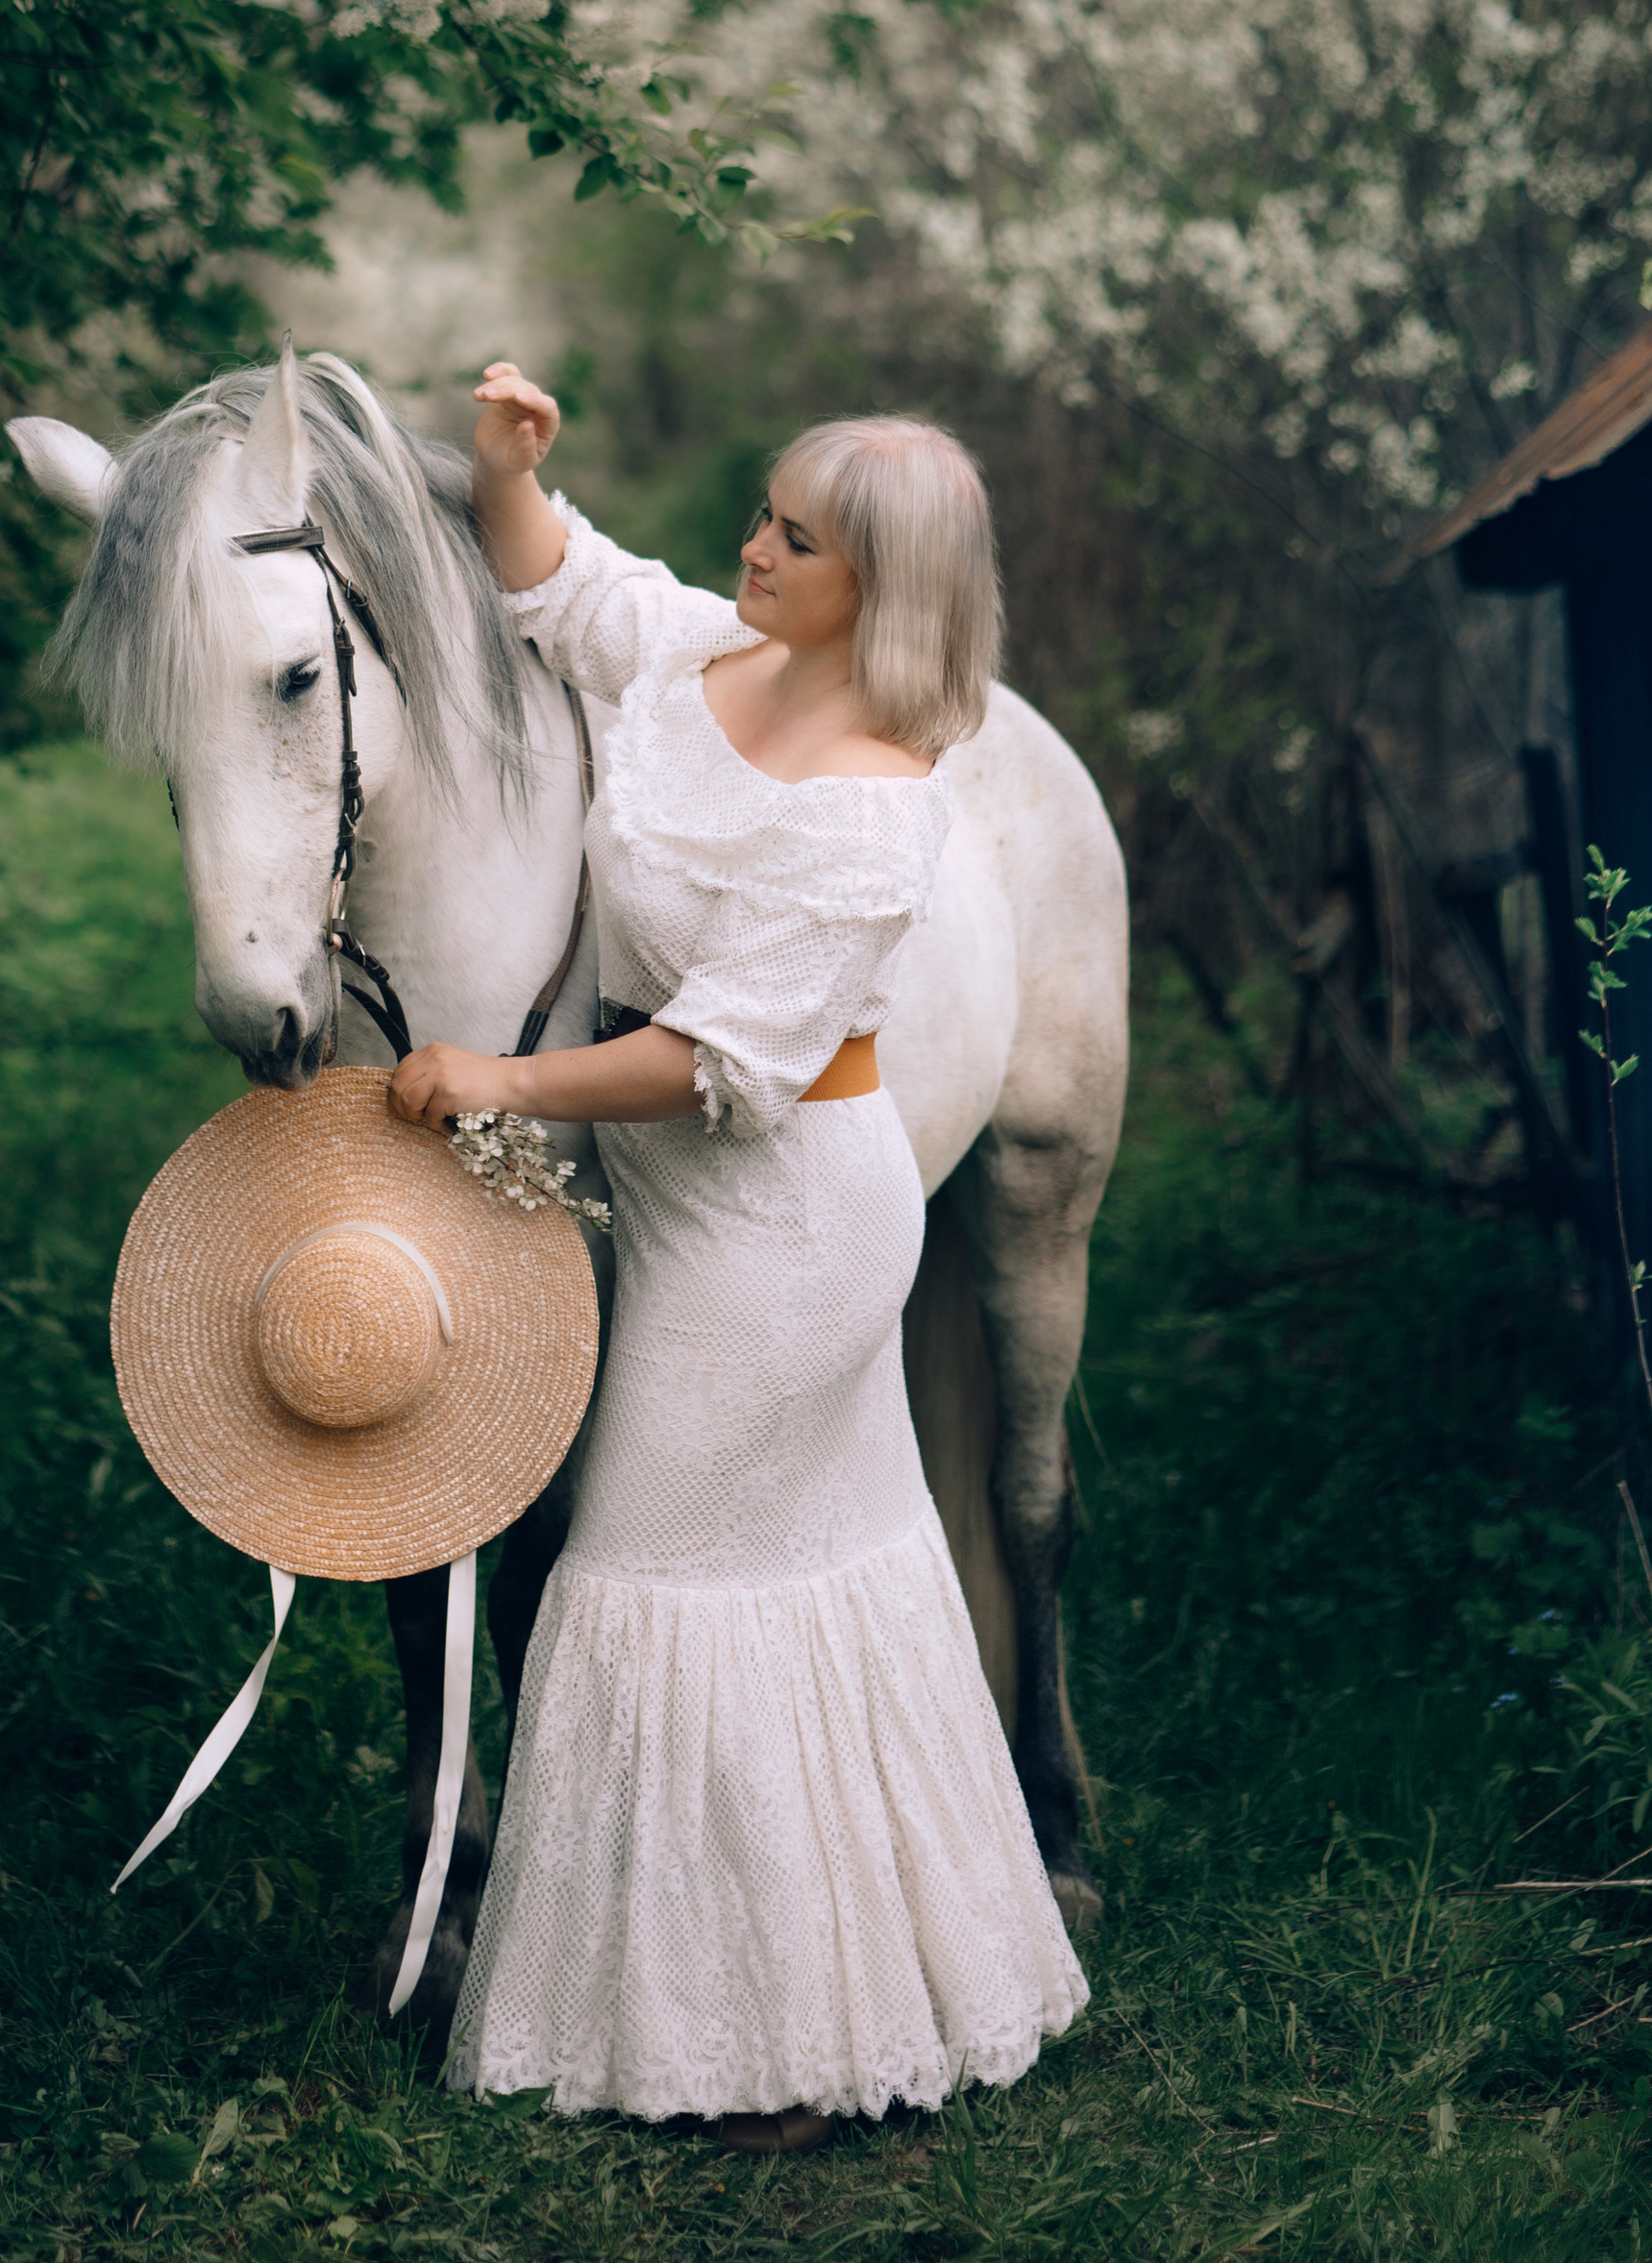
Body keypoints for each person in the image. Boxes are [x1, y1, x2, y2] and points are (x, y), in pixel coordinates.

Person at [385, 363, 1088, 2149]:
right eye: (764, 517)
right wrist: (507, 468)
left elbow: (716, 1065)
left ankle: (774, 2045)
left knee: (661, 1572)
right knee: (804, 1577)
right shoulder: (711, 654)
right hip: (692, 1209)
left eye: (797, 539)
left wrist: (497, 1078)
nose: (753, 547)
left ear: (884, 589)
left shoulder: (876, 802)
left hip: (780, 1226)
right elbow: (565, 586)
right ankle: (833, 1981)